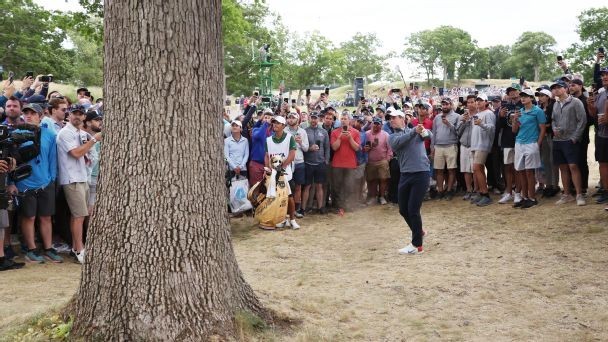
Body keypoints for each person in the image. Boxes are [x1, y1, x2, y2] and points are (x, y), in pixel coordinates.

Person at [6, 103, 62, 263]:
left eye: (33, 113)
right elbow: (10, 162)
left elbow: (53, 160)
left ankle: (48, 248)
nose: (29, 116)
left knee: (46, 217)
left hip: (45, 183)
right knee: (28, 217)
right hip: (24, 183)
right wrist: (12, 182)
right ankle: (30, 249)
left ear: (40, 116)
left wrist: (51, 179)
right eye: (26, 113)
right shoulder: (16, 134)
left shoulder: (50, 134)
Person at [56, 104, 102, 263]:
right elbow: (76, 153)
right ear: (69, 115)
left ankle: (76, 247)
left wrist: (90, 149)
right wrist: (94, 140)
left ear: (84, 117)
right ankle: (79, 250)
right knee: (79, 215)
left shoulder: (82, 134)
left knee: (80, 215)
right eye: (74, 113)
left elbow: (91, 157)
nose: (77, 116)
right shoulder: (65, 133)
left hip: (83, 177)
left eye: (80, 114)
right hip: (72, 178)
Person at [388, 110, 431, 255]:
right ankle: (419, 231)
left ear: (402, 119)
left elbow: (429, 136)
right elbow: (399, 143)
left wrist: (424, 131)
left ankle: (417, 245)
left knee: (413, 209)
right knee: (403, 209)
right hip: (405, 174)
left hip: (421, 173)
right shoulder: (392, 136)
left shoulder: (415, 130)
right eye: (390, 118)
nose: (391, 120)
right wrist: (414, 131)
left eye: (394, 117)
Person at [551, 81, 587, 206]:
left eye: (558, 88)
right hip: (558, 140)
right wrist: (554, 128)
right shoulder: (555, 104)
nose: (556, 90)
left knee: (573, 166)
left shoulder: (576, 102)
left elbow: (582, 120)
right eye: (554, 89)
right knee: (563, 168)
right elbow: (553, 120)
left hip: (570, 140)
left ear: (565, 88)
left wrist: (575, 137)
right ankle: (567, 194)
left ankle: (579, 194)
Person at [511, 89, 546, 209]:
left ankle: (532, 198)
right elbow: (514, 130)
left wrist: (538, 144)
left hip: (531, 143)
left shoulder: (538, 111)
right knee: (520, 171)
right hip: (519, 143)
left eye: (526, 96)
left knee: (529, 172)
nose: (523, 98)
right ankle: (524, 197)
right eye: (522, 96)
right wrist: (515, 119)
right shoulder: (520, 111)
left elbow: (542, 129)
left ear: (531, 98)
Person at [265, 116, 299, 229]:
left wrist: (281, 167)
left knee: (289, 197)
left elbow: (292, 155)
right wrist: (268, 168)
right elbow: (267, 156)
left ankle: (292, 219)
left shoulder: (290, 138)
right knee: (278, 198)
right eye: (274, 122)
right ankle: (283, 219)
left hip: (286, 173)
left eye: (278, 123)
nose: (275, 124)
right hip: (273, 174)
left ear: (283, 126)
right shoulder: (268, 140)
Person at [330, 111, 360, 214]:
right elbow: (334, 147)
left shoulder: (355, 132)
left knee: (349, 185)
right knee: (337, 186)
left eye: (345, 119)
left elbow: (356, 148)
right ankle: (339, 207)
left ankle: (348, 205)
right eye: (342, 119)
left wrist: (350, 137)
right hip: (337, 163)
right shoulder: (334, 132)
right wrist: (340, 137)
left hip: (350, 163)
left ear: (349, 120)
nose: (343, 121)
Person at [587, 67, 608, 210]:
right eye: (603, 75)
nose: (604, 77)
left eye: (607, 75)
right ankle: (606, 191)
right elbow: (595, 115)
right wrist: (590, 106)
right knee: (603, 163)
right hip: (602, 134)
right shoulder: (601, 94)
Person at [430, 98, 460, 200]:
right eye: (443, 104)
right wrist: (432, 147)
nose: (445, 106)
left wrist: (448, 123)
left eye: (447, 104)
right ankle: (440, 190)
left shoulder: (457, 116)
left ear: (451, 105)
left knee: (451, 169)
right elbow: (434, 134)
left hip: (451, 145)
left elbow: (458, 132)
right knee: (439, 170)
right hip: (438, 146)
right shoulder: (437, 117)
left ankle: (449, 190)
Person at [470, 93, 496, 206]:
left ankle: (485, 194)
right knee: (477, 170)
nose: (478, 102)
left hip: (483, 144)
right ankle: (481, 192)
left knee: (477, 168)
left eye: (481, 100)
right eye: (477, 100)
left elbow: (492, 129)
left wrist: (482, 125)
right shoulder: (477, 114)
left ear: (486, 102)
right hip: (476, 145)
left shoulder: (489, 113)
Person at [302, 112, 330, 214]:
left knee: (319, 186)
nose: (314, 120)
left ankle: (320, 207)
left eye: (315, 118)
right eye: (312, 118)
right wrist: (310, 148)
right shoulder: (304, 131)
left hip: (320, 163)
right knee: (307, 186)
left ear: (318, 119)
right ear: (309, 119)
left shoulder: (324, 132)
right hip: (308, 163)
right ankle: (303, 208)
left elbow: (327, 147)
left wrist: (326, 161)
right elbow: (302, 147)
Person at [285, 112, 309, 217]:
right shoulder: (284, 131)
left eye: (293, 118)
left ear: (297, 119)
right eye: (289, 118)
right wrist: (291, 142)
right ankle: (287, 210)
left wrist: (300, 142)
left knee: (298, 186)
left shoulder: (303, 132)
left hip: (299, 162)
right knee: (287, 187)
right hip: (287, 162)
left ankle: (296, 209)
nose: (291, 120)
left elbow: (306, 148)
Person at [365, 117, 392, 205]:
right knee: (372, 180)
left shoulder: (386, 134)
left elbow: (390, 148)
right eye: (375, 123)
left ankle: (382, 196)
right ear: (372, 124)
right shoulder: (367, 134)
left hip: (382, 160)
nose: (376, 125)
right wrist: (366, 149)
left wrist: (387, 159)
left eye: (378, 124)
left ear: (381, 125)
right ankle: (373, 197)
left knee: (383, 179)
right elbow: (363, 146)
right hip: (370, 161)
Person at [83, 111, 103, 214]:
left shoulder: (101, 137)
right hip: (91, 177)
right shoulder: (85, 138)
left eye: (100, 119)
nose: (100, 122)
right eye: (96, 120)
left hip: (99, 177)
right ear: (88, 123)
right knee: (90, 210)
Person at [457, 95, 476, 199]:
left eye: (472, 102)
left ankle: (477, 190)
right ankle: (469, 190)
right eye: (468, 102)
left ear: (476, 103)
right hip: (464, 145)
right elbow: (458, 132)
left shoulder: (479, 115)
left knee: (475, 169)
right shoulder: (462, 116)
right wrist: (464, 121)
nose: (470, 104)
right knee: (466, 170)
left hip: (475, 145)